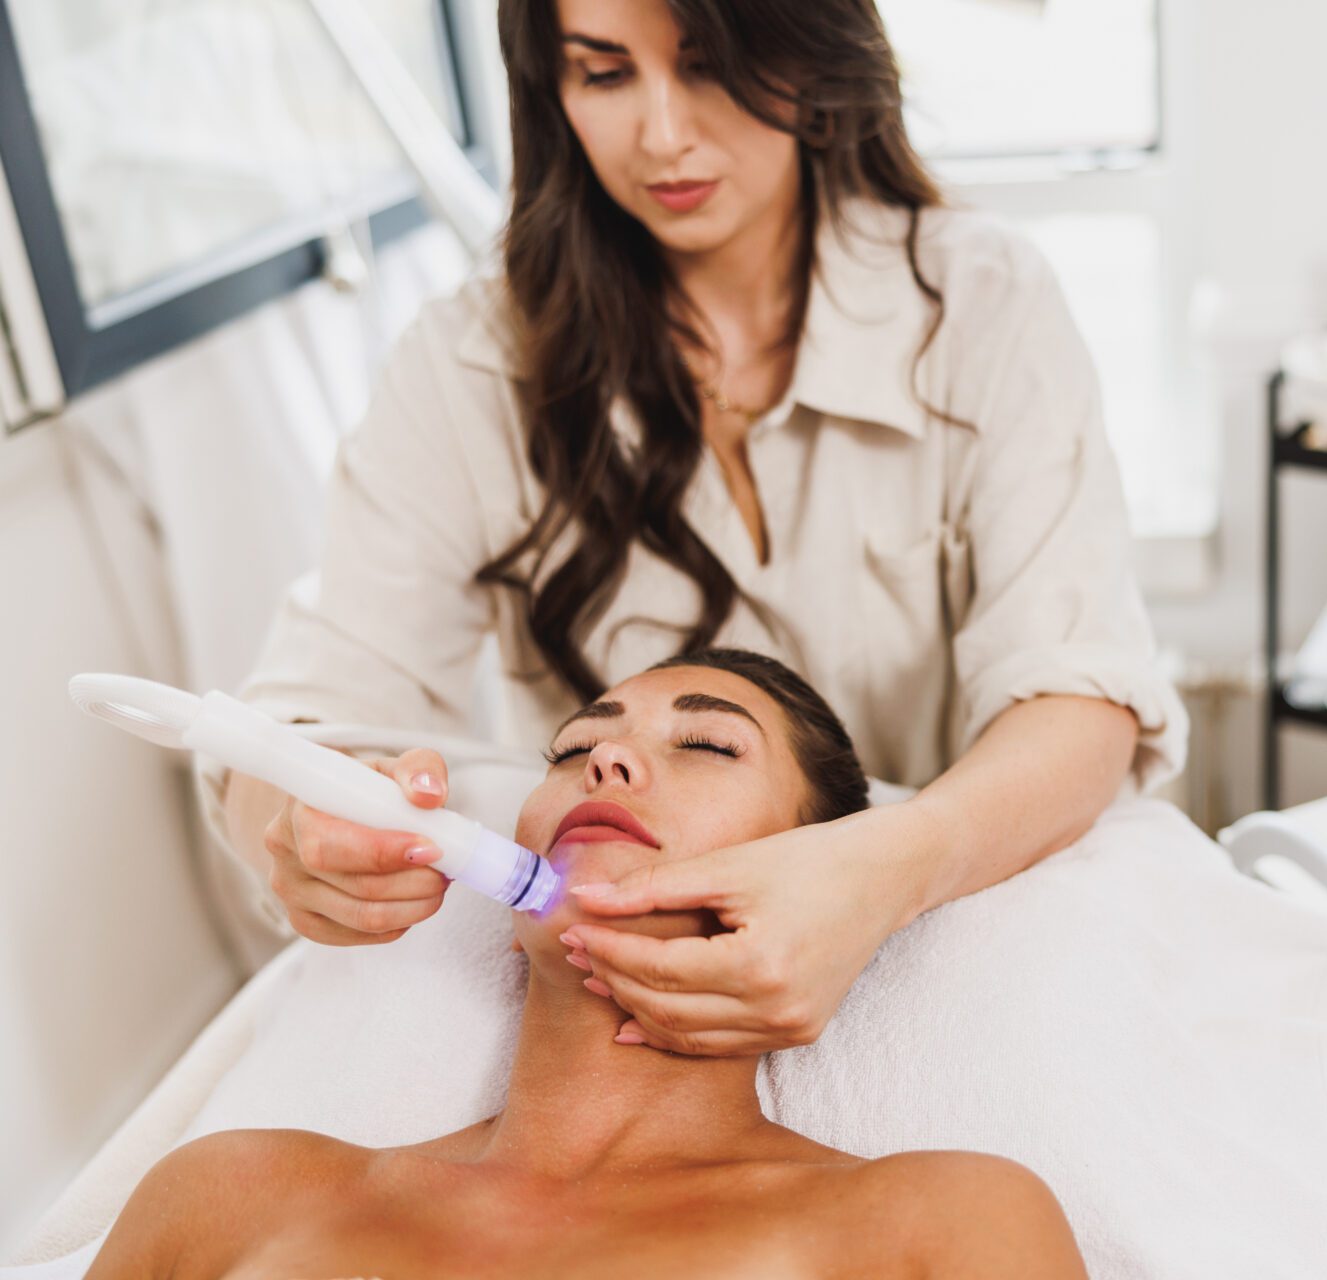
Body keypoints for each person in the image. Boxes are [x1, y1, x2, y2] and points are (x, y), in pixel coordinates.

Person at [205, 0, 1186, 1058]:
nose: (663, 134)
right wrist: (302, 834)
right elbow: (311, 711)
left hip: (947, 942)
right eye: (605, 73)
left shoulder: (979, 302)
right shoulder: (468, 367)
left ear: (812, 50)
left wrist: (889, 871)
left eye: (711, 64)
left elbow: (1080, 695)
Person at [95, 651, 1088, 1279]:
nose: (604, 763)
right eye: (572, 749)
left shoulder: (947, 1221)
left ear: (827, 875)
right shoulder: (229, 1194)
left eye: (706, 743)